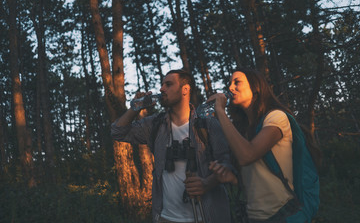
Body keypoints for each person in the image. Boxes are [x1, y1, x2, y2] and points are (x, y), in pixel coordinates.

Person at [111, 69, 232, 223]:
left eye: (168, 84)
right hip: (166, 217)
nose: (161, 89)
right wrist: (135, 109)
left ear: (185, 89)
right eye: (162, 84)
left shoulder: (207, 123)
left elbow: (227, 164)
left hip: (206, 215)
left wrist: (207, 184)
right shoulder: (154, 124)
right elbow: (117, 132)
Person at [208, 68, 304, 223]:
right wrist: (233, 179)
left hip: (282, 214)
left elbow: (247, 156)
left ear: (255, 87)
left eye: (237, 82)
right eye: (230, 83)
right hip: (253, 216)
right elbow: (256, 180)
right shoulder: (243, 130)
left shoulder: (276, 118)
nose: (231, 88)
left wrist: (220, 110)